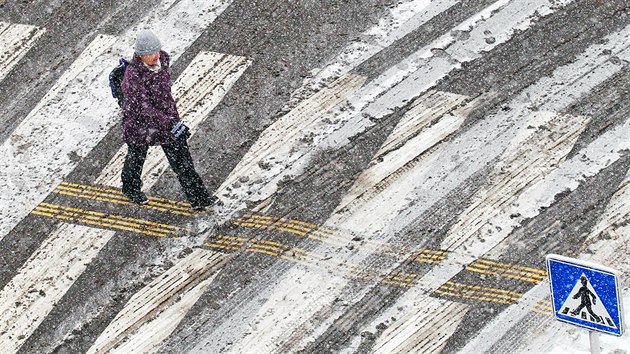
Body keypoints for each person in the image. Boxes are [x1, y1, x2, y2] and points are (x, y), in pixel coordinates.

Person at [120, 29, 216, 211]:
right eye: (149, 54)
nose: (155, 56)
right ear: (140, 55)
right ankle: (130, 188)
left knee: (182, 160)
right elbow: (143, 108)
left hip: (166, 121)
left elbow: (164, 97)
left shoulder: (162, 61)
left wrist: (174, 121)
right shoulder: (132, 76)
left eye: (156, 51)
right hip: (140, 123)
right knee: (136, 157)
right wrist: (170, 122)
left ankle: (199, 198)